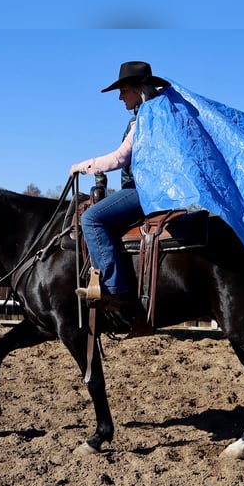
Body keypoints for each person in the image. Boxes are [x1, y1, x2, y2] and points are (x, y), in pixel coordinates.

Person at [69, 61, 171, 321]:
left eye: (123, 90)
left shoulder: (143, 121)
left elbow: (119, 159)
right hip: (156, 189)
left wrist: (82, 167)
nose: (120, 96)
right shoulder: (159, 116)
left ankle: (114, 290)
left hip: (144, 191)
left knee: (91, 218)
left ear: (138, 90)